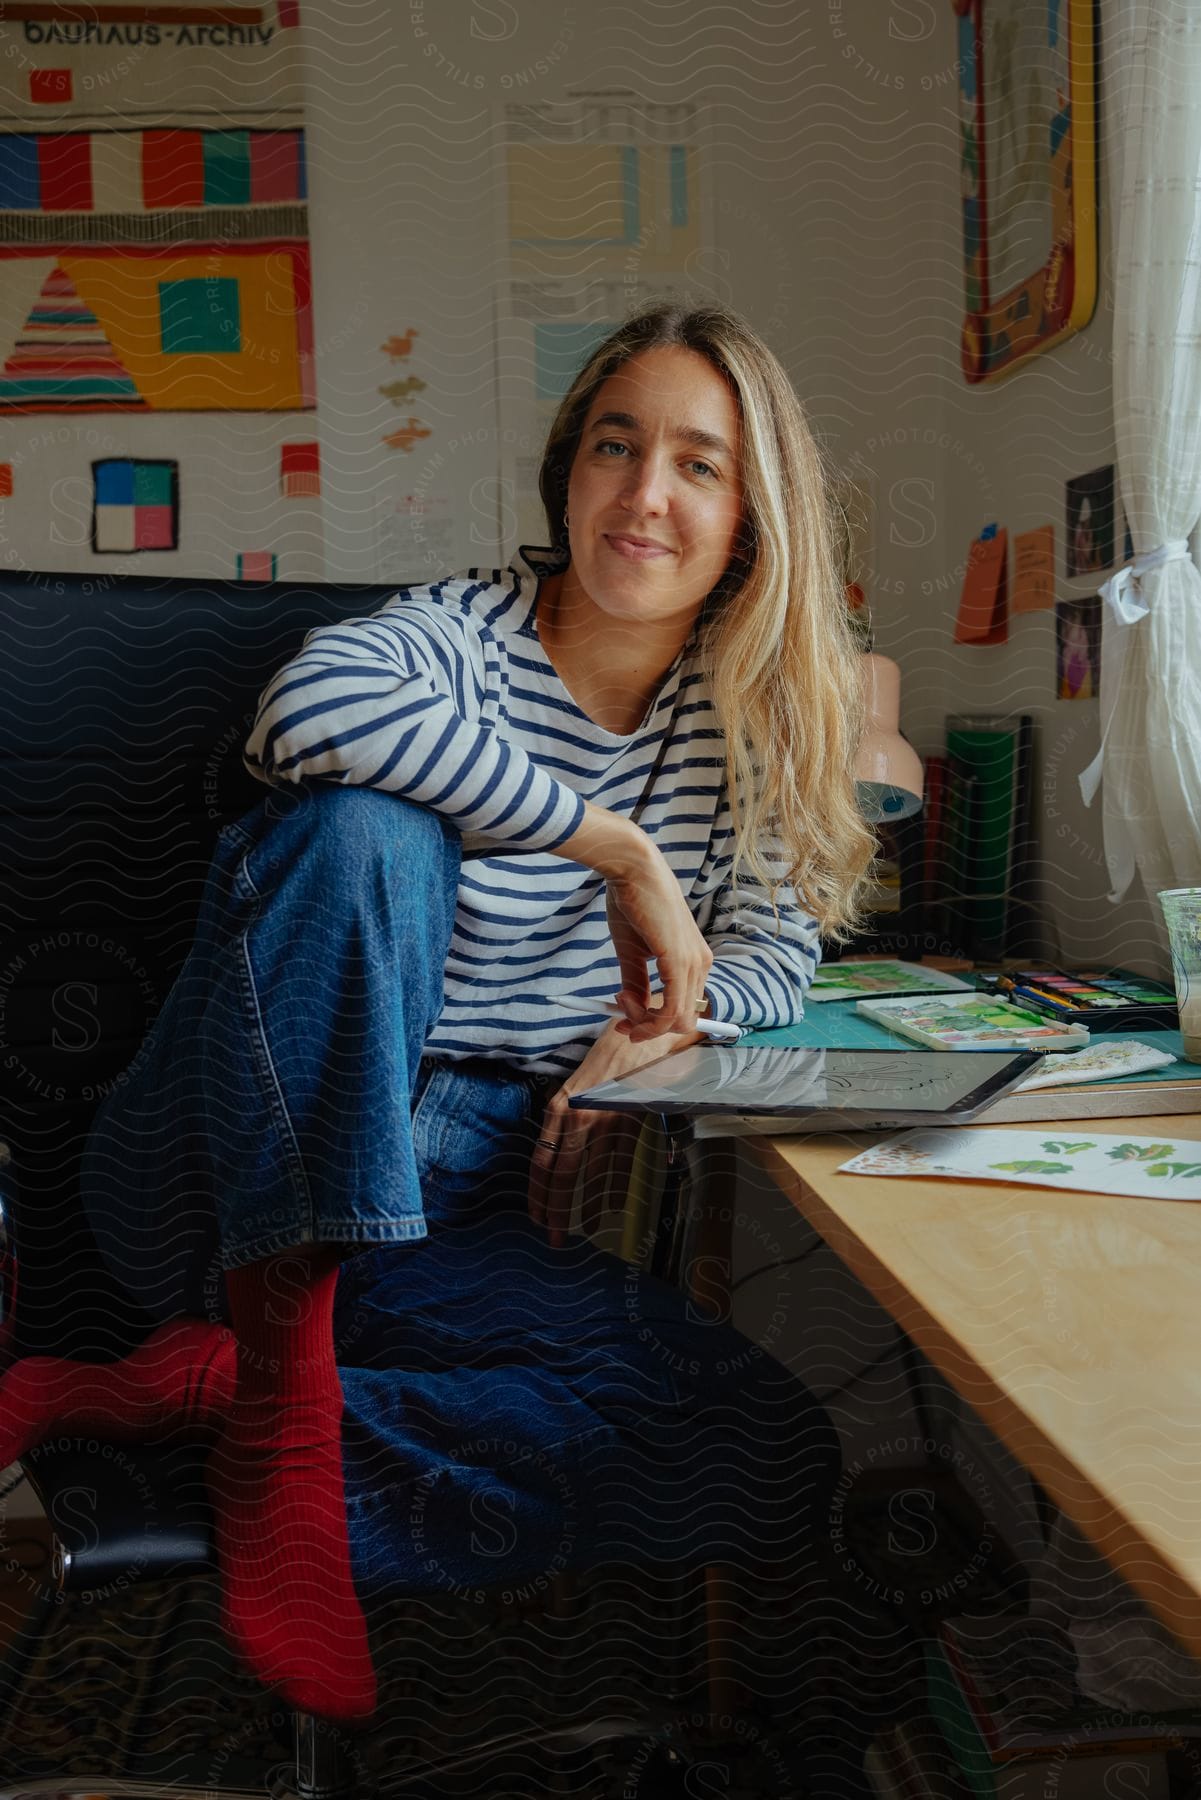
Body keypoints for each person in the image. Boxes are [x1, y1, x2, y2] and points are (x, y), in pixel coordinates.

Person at [0, 305, 876, 1727]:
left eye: (697, 465)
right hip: (214, 1156)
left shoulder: (749, 722)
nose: (643, 493)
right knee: (365, 832)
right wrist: (623, 854)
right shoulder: (455, 636)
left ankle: (211, 1391)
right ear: (565, 472)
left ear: (752, 520)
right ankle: (282, 1394)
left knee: (759, 1447)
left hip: (457, 1204)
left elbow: (778, 947)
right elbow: (306, 713)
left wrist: (656, 1035)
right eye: (614, 445)